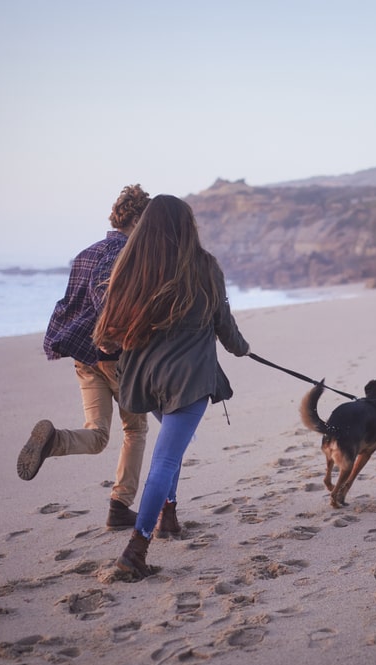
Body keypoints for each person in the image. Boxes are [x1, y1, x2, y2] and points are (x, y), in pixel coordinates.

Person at [92, 194, 250, 580]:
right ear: (187, 226)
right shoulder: (205, 266)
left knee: (170, 445)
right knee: (165, 458)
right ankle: (136, 550)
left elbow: (106, 340)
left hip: (145, 378)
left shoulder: (132, 267)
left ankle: (169, 515)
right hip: (189, 379)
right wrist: (241, 349)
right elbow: (222, 322)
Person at [17, 184, 151, 531]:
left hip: (83, 357)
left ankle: (54, 441)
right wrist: (110, 334)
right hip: (113, 357)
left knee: (98, 435)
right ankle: (120, 506)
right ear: (135, 219)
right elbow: (103, 290)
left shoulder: (86, 253)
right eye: (145, 221)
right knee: (135, 429)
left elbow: (68, 304)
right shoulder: (125, 251)